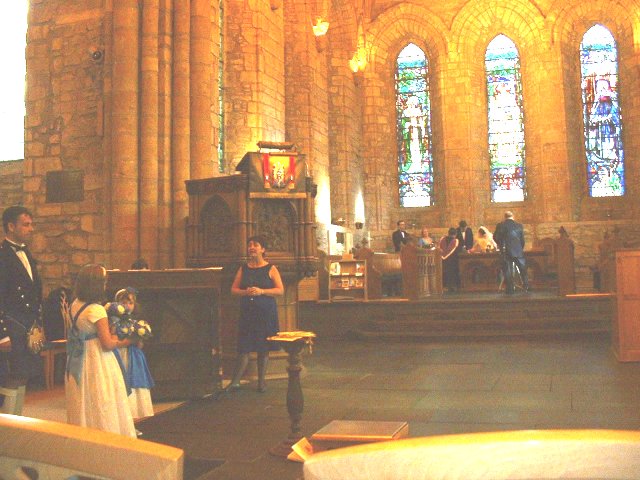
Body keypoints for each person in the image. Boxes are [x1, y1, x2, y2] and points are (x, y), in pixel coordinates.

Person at [65, 264, 136, 437]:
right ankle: (107, 433)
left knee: (84, 397)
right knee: (102, 397)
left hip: (78, 357)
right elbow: (107, 344)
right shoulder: (96, 310)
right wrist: (125, 341)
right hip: (97, 358)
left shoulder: (75, 304)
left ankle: (83, 432)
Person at [226, 236, 284, 393]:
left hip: (265, 312)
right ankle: (235, 382)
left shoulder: (271, 268)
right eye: (249, 245)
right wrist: (245, 292)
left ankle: (261, 382)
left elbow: (280, 290)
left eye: (255, 245)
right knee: (244, 347)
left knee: (263, 347)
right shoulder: (243, 268)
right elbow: (233, 290)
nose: (251, 247)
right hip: (248, 312)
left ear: (263, 249)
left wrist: (262, 291)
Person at [0, 206, 43, 400]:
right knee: (10, 377)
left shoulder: (27, 253)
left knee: (23, 376)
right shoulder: (2, 256)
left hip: (27, 327)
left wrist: (38, 326)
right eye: (26, 225)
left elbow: (34, 293)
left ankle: (17, 423)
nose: (31, 229)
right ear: (10, 226)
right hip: (12, 327)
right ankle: (8, 427)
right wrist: (2, 335)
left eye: (31, 224)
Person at [113, 287, 154, 424]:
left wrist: (140, 336)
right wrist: (128, 340)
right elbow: (114, 340)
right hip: (120, 354)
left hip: (134, 356)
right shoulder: (114, 321)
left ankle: (133, 417)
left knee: (134, 384)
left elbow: (140, 345)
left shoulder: (135, 322)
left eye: (130, 303)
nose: (127, 306)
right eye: (123, 303)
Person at [493, 211, 529, 295]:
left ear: (504, 217)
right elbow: (522, 240)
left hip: (506, 251)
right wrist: (520, 248)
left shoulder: (501, 225)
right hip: (518, 250)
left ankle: (510, 289)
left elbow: (496, 237)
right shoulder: (519, 225)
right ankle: (526, 286)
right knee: (522, 268)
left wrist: (501, 245)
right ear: (513, 216)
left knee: (507, 270)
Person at [440, 228, 460, 292]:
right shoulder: (455, 241)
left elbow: (439, 248)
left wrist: (443, 256)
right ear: (455, 234)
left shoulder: (442, 239)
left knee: (444, 272)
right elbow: (456, 251)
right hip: (452, 260)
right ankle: (452, 286)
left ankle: (444, 286)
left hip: (441, 260)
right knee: (452, 273)